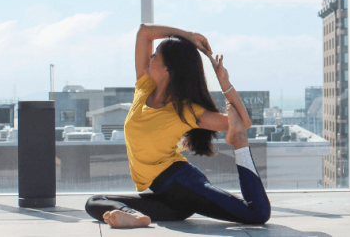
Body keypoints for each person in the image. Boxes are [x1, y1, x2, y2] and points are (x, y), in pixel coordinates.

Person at [85, 24, 271, 228]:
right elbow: (144, 32)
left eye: (155, 55)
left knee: (256, 214)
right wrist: (189, 36)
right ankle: (134, 216)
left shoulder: (185, 110)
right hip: (166, 198)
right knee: (94, 202)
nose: (150, 58)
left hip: (181, 184)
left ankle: (241, 149)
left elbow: (242, 123)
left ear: (167, 68)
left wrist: (224, 83)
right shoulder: (144, 86)